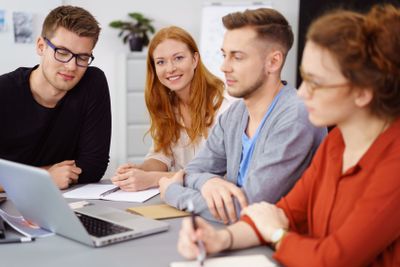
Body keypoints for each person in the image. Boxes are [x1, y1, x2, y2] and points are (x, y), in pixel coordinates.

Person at [177, 4, 400, 266]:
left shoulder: (393, 163)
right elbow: (284, 212)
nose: (303, 93)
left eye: (316, 83)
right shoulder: (337, 144)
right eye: (304, 79)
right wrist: (221, 239)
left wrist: (277, 234)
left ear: (363, 92)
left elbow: (332, 259)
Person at [159, 8, 326, 223]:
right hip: (230, 235)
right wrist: (208, 183)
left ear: (273, 62)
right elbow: (192, 171)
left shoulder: (296, 116)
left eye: (237, 57)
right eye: (224, 55)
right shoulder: (236, 113)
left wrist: (173, 193)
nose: (224, 67)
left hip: (276, 246)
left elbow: (243, 209)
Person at [0, 6, 111, 189]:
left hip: (64, 201)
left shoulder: (92, 83)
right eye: (62, 53)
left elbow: (94, 166)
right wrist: (44, 177)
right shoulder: (4, 91)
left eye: (82, 57)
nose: (71, 66)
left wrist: (15, 177)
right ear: (41, 46)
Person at [111, 26, 231, 192]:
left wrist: (152, 179)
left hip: (214, 200)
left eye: (178, 58)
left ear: (195, 60)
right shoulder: (166, 105)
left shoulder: (226, 105)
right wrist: (141, 170)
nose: (170, 68)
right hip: (180, 197)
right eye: (161, 62)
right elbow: (162, 155)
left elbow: (213, 174)